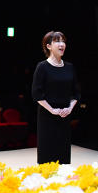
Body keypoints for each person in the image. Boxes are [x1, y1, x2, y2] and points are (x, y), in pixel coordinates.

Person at [31, 31, 81, 164]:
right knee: (48, 154)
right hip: (47, 116)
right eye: (57, 41)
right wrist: (52, 110)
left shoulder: (69, 67)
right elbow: (37, 94)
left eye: (63, 41)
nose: (62, 44)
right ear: (48, 46)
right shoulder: (42, 67)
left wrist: (70, 108)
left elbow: (76, 92)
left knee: (63, 154)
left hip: (65, 115)